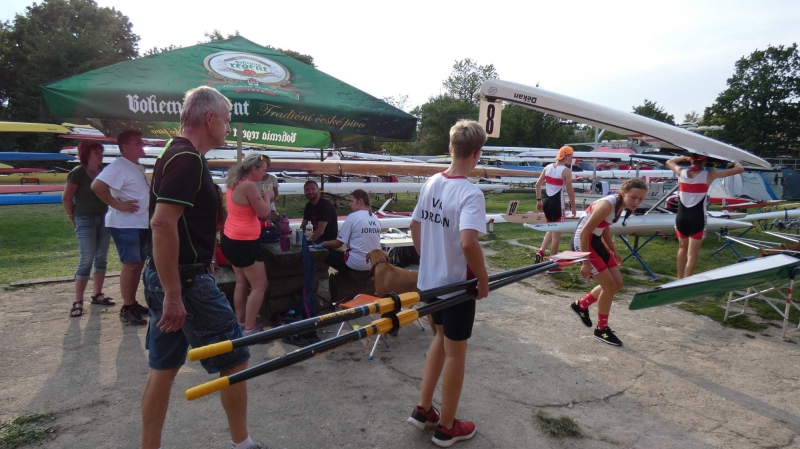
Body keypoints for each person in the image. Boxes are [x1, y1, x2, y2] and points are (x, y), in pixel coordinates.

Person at [142, 86, 264, 449]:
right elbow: (162, 223)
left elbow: (176, 222)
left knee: (163, 368)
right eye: (226, 120)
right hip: (184, 282)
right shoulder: (188, 158)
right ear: (209, 119)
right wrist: (174, 294)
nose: (227, 127)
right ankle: (242, 444)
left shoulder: (172, 150)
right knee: (235, 358)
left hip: (168, 275)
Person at [406, 120, 489, 447]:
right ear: (477, 153)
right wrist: (483, 279)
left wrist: (428, 257)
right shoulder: (470, 193)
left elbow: (415, 225)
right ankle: (447, 426)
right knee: (456, 352)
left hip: (430, 283)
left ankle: (423, 409)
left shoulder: (431, 182)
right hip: (456, 287)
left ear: (451, 147)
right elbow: (468, 242)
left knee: (440, 340)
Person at [569, 178, 649, 347]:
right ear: (623, 193)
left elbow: (604, 226)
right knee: (610, 287)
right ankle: (601, 329)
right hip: (583, 243)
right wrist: (585, 262)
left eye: (641, 199)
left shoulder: (620, 205)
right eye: (633, 197)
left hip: (595, 241)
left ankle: (581, 305)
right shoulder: (607, 204)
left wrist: (613, 250)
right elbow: (583, 233)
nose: (637, 202)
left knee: (617, 284)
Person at [92, 129, 150, 326]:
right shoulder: (119, 166)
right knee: (130, 264)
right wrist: (117, 205)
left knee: (138, 264)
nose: (142, 145)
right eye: (138, 142)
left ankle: (132, 302)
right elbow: (97, 186)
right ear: (125, 146)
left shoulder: (135, 166)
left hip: (139, 223)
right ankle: (127, 307)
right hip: (125, 224)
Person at [666, 155, 743, 278]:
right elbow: (740, 169)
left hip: (681, 217)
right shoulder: (709, 174)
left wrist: (684, 157)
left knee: (682, 249)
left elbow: (669, 161)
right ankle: (686, 283)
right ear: (705, 161)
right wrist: (734, 161)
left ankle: (679, 279)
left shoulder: (680, 172)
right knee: (692, 254)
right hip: (697, 218)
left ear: (691, 160)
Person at [222, 154, 275, 336]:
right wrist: (267, 197)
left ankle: (241, 322)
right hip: (244, 242)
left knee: (241, 282)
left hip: (230, 237)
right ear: (254, 169)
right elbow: (264, 214)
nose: (264, 174)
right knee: (260, 285)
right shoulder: (249, 186)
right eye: (263, 170)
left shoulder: (234, 182)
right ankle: (250, 329)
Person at [62, 140, 113, 317]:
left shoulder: (105, 170)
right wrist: (72, 218)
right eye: (96, 152)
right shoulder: (78, 173)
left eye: (101, 151)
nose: (100, 155)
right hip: (84, 219)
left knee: (101, 257)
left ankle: (97, 294)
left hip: (105, 218)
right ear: (86, 154)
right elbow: (67, 198)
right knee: (87, 258)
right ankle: (78, 300)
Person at [534, 146, 577, 272]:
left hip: (547, 203)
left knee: (551, 228)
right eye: (571, 156)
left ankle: (541, 251)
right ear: (566, 156)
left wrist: (539, 200)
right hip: (558, 204)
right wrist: (573, 207)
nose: (572, 159)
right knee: (556, 236)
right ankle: (552, 265)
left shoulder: (547, 167)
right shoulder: (566, 171)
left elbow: (537, 185)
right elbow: (570, 191)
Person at [317, 189, 381, 273]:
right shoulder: (375, 217)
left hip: (356, 264)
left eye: (351, 201)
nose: (349, 204)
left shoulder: (352, 216)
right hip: (374, 263)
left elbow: (337, 244)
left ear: (360, 201)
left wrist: (322, 244)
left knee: (323, 252)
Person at [300, 180, 338, 245]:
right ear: (304, 192)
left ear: (318, 190)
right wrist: (297, 236)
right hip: (315, 240)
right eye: (307, 190)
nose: (310, 192)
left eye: (313, 189)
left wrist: (305, 242)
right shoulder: (308, 206)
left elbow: (320, 231)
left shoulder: (326, 205)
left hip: (326, 243)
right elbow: (303, 226)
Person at [257, 155, 280, 224]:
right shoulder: (252, 179)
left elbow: (276, 194)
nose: (269, 165)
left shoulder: (272, 178)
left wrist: (274, 199)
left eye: (269, 163)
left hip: (270, 207)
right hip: (256, 208)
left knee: (278, 219)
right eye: (267, 163)